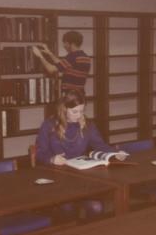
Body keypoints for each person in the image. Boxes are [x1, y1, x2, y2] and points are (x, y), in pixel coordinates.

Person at [35, 89, 127, 219]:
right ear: (64, 109)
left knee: (96, 207)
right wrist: (51, 159)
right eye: (75, 112)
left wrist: (115, 153)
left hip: (81, 178)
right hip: (58, 178)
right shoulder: (49, 125)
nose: (79, 115)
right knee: (67, 209)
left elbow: (100, 145)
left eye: (82, 111)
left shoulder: (87, 124)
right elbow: (40, 152)